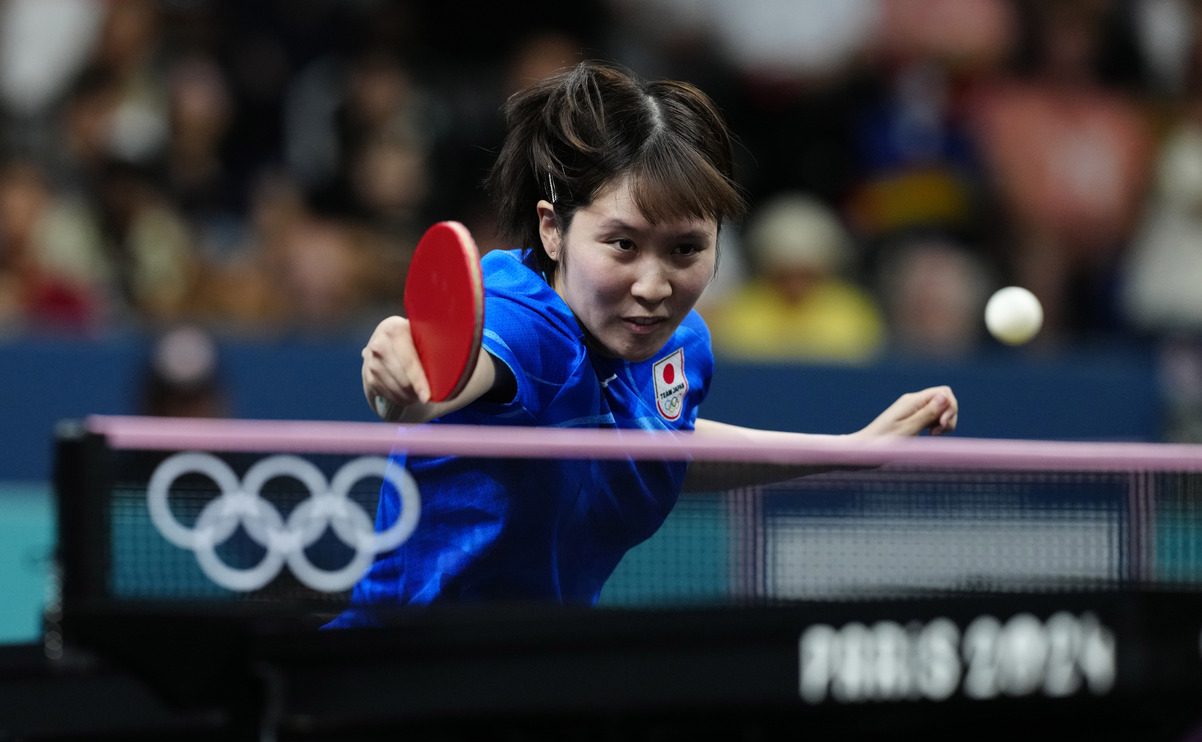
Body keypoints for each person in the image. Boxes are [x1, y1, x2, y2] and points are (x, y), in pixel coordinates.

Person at [331, 61, 957, 623]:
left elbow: (659, 445)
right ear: (553, 231)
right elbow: (449, 380)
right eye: (622, 245)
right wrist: (405, 373)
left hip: (532, 674)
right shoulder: (524, 322)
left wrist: (848, 451)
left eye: (686, 248)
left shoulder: (680, 346)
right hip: (401, 671)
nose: (654, 286)